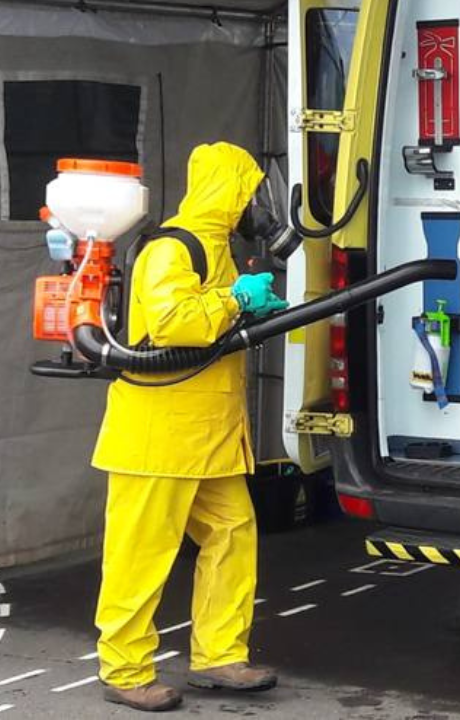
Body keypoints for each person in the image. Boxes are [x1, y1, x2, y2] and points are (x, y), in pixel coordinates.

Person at [91, 142, 288, 712]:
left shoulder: (217, 249)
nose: (257, 205)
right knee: (140, 555)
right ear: (227, 192)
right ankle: (124, 669)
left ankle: (220, 655)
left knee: (233, 535)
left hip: (209, 438)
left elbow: (213, 316)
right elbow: (173, 321)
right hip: (157, 437)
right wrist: (234, 299)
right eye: (250, 192)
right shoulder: (173, 248)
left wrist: (247, 306)